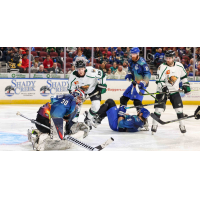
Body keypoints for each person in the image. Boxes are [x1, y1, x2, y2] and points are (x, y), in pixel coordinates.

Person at [152, 50, 191, 134]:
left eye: (170, 58)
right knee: (158, 109)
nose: (168, 60)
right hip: (162, 91)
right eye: (167, 58)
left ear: (174, 58)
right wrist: (164, 88)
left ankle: (182, 125)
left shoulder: (179, 66)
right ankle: (154, 125)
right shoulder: (161, 67)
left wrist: (186, 85)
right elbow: (159, 81)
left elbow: (184, 77)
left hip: (174, 91)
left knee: (179, 109)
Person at [67, 60, 107, 129]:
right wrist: (75, 96)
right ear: (76, 69)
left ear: (85, 68)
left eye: (82, 69)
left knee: (96, 107)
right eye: (79, 69)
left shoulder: (91, 71)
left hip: (93, 89)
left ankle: (88, 119)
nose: (80, 71)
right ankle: (74, 122)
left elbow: (103, 75)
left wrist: (102, 85)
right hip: (80, 91)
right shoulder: (72, 76)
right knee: (76, 108)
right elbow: (71, 89)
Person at [119, 47, 151, 130]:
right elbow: (130, 69)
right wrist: (129, 74)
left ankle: (144, 121)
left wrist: (143, 82)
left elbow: (147, 74)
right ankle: (121, 115)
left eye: (134, 54)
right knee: (123, 98)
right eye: (131, 54)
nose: (132, 56)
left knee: (137, 101)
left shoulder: (142, 63)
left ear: (137, 54)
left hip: (140, 84)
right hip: (134, 83)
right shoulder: (130, 61)